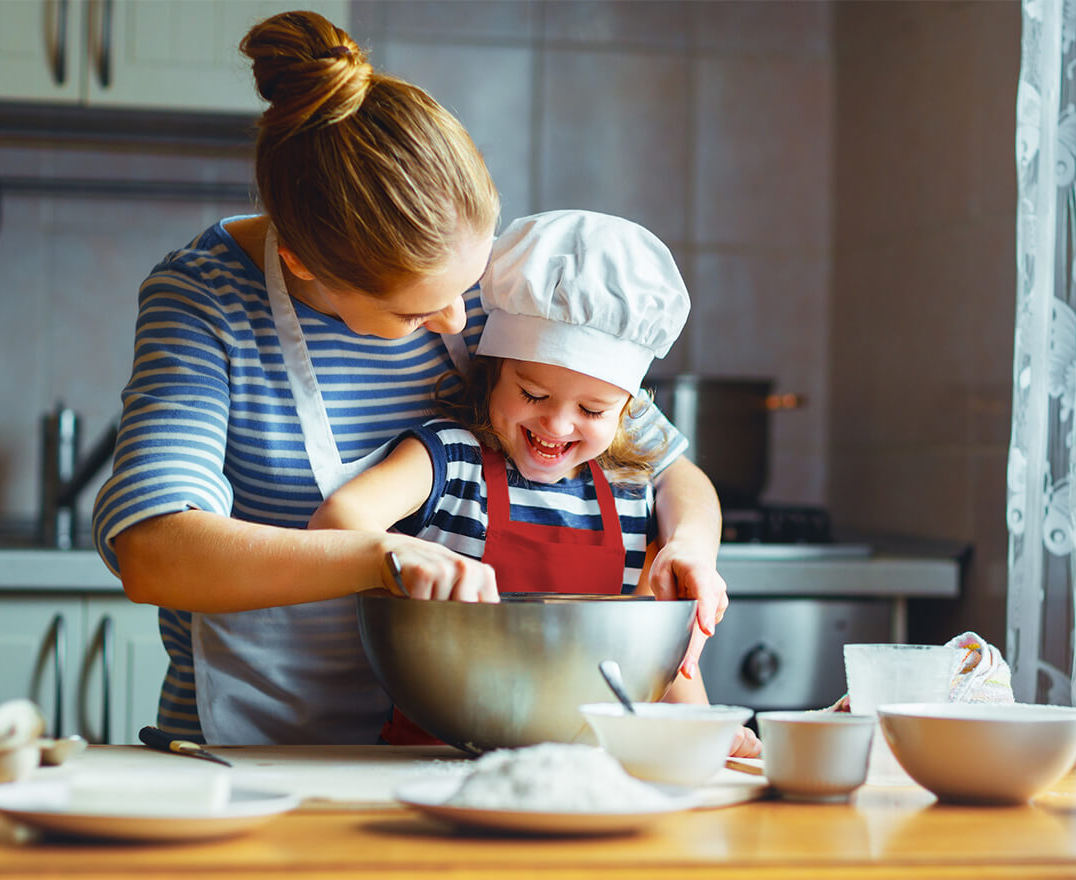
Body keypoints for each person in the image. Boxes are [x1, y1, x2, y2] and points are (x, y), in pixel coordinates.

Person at [91, 10, 728, 747]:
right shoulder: (207, 302)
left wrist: (690, 548)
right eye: (416, 311)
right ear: (304, 263)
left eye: (468, 287)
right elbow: (155, 551)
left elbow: (666, 466)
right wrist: (378, 556)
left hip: (456, 749)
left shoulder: (504, 292)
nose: (460, 322)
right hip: (262, 752)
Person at [312, 211, 760, 757]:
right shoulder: (450, 459)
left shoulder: (630, 489)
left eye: (593, 409)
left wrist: (703, 733)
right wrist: (400, 559)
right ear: (493, 372)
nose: (557, 424)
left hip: (591, 770)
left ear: (629, 412)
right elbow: (337, 522)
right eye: (532, 394)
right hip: (433, 755)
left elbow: (663, 661)